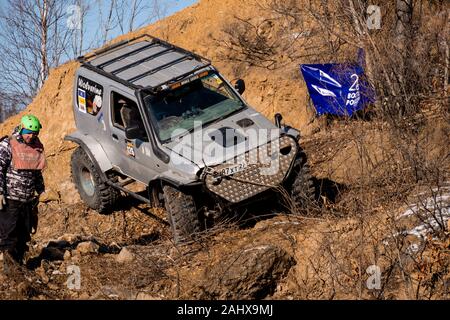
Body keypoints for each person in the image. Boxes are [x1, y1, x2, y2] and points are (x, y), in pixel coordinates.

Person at [0, 114, 45, 266]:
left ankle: (19, 266)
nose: (31, 136)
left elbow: (37, 172)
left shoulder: (36, 147)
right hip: (10, 199)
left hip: (27, 201)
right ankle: (10, 270)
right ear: (21, 129)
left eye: (34, 133)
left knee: (24, 235)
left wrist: (42, 191)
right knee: (9, 235)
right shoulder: (8, 144)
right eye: (28, 132)